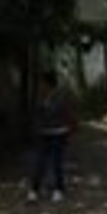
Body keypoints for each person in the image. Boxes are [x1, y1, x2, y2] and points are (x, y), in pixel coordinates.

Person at [29, 70, 77, 203]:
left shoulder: (60, 96)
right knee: (40, 162)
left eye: (42, 83)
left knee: (56, 162)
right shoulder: (40, 96)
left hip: (59, 132)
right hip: (44, 133)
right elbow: (37, 114)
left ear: (48, 83)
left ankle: (58, 189)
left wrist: (71, 127)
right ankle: (34, 190)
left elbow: (68, 112)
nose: (41, 86)